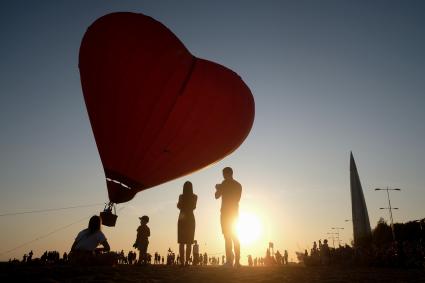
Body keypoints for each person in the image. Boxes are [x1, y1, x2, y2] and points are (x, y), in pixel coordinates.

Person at [215, 167, 242, 267]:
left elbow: (217, 196)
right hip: (233, 213)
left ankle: (230, 261)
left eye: (224, 174)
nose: (223, 176)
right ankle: (236, 262)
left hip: (228, 213)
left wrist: (220, 188)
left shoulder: (225, 184)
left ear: (227, 174)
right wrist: (220, 188)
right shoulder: (238, 185)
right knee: (233, 237)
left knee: (229, 237)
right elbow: (217, 196)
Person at [177, 181, 197, 265]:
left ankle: (182, 261)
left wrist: (181, 204)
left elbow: (179, 206)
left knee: (182, 242)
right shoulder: (194, 196)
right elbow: (194, 207)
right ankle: (187, 261)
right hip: (190, 218)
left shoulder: (181, 196)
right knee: (189, 241)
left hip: (182, 218)